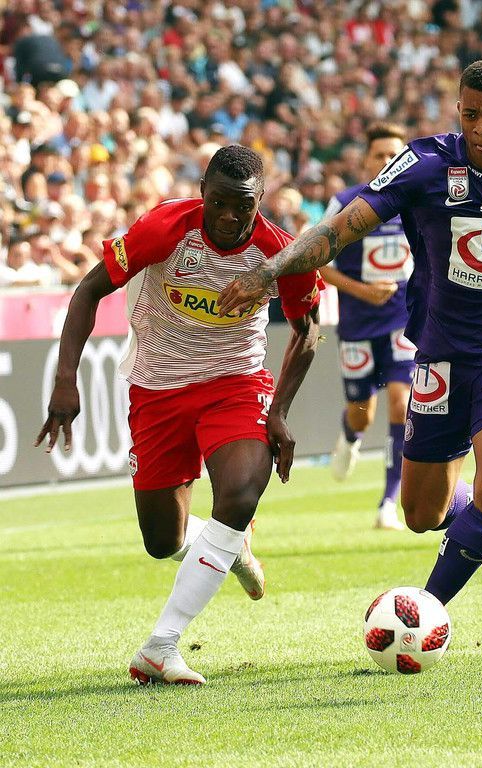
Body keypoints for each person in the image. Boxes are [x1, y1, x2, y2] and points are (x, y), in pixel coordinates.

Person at [218, 59, 482, 609]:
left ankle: (426, 609)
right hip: (439, 355)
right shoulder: (425, 164)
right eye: (470, 115)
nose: (480, 128)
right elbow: (336, 232)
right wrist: (268, 271)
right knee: (421, 514)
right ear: (458, 110)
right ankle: (478, 522)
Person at [35, 145, 323, 685]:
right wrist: (65, 379)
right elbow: (89, 290)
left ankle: (161, 645)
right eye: (219, 203)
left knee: (240, 493)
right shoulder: (164, 229)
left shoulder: (278, 252)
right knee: (161, 541)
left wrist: (280, 412)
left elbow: (307, 330)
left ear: (260, 200)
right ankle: (231, 548)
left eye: (243, 206)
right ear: (202, 193)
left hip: (235, 383)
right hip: (157, 389)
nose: (229, 217)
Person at [319, 122, 415, 531]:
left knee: (401, 404)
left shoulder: (416, 199)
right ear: (366, 161)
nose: (388, 161)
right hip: (358, 324)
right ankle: (350, 435)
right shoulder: (345, 203)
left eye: (395, 155)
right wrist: (362, 291)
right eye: (380, 155)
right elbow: (318, 260)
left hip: (403, 320)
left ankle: (388, 502)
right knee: (361, 413)